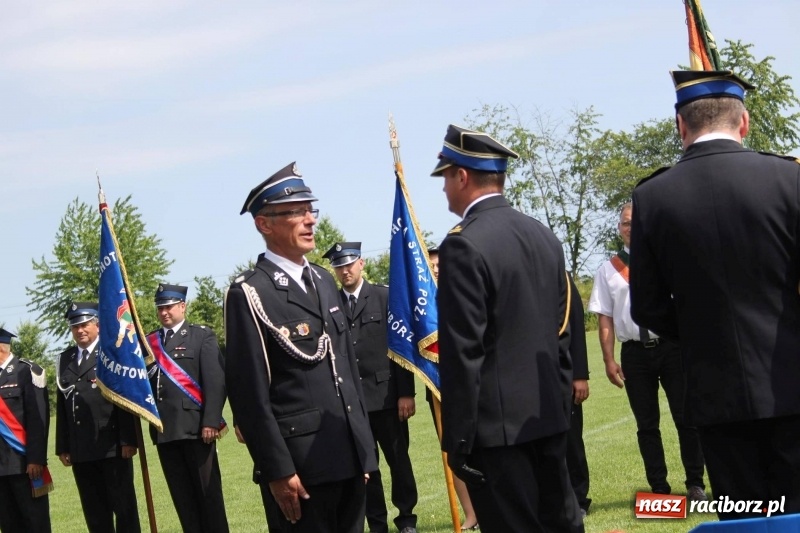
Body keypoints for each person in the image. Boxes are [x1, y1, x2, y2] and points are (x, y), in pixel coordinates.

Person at [629, 69, 800, 520]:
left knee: (743, 520)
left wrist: (702, 335)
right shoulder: (789, 179)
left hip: (712, 391)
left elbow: (646, 306)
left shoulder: (652, 197)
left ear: (680, 126)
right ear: (743, 122)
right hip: (792, 385)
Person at [433, 124, 583, 533]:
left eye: (445, 177)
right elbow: (563, 331)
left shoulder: (463, 244)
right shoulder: (543, 236)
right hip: (547, 418)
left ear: (462, 176)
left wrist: (458, 440)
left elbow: (464, 350)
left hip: (497, 436)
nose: (444, 188)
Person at [224, 162, 376, 533]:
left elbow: (347, 372)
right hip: (301, 467)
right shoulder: (250, 292)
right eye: (296, 212)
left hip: (348, 453)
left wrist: (364, 451)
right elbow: (250, 396)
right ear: (265, 224)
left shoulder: (324, 280)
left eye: (312, 210)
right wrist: (278, 469)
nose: (310, 221)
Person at [588, 203, 706, 501]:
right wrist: (608, 359)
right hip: (634, 354)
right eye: (626, 223)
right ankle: (660, 488)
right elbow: (605, 318)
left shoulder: (664, 261)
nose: (631, 228)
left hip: (670, 348)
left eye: (635, 223)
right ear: (619, 228)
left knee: (686, 417)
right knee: (646, 424)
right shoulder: (607, 270)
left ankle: (695, 483)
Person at [323, 241, 418, 533]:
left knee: (399, 462)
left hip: (388, 396)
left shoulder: (384, 297)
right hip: (354, 403)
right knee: (366, 468)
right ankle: (377, 523)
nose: (345, 271)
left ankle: (406, 518)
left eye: (349, 264)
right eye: (339, 267)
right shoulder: (330, 306)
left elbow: (400, 346)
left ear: (361, 264)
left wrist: (406, 392)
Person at [147, 284, 229, 532]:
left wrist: (210, 421)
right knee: (183, 501)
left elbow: (216, 381)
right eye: (160, 308)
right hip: (165, 431)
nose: (164, 312)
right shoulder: (149, 342)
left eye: (169, 306)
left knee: (208, 497)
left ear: (182, 306)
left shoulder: (201, 336)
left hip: (196, 430)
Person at [56, 302, 140, 533]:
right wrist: (63, 445)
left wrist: (128, 440)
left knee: (124, 509)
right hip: (81, 448)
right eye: (75, 326)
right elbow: (63, 405)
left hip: (111, 445)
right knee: (94, 512)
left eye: (84, 325)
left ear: (98, 326)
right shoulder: (65, 359)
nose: (80, 330)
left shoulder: (112, 351)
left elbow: (125, 399)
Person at [427, 247, 479, 532]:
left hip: (471, 382)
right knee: (452, 452)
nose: (436, 268)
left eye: (440, 263)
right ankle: (470, 514)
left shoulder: (464, 291)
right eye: (431, 264)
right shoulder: (423, 301)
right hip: (438, 385)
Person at [0, 327, 51, 533]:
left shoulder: (27, 371)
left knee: (35, 522)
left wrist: (36, 459)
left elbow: (38, 419)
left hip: (24, 464)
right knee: (9, 524)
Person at [565, 273, 592, 518]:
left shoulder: (560, 277)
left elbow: (575, 323)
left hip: (563, 373)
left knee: (571, 439)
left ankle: (579, 499)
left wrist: (579, 374)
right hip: (529, 376)